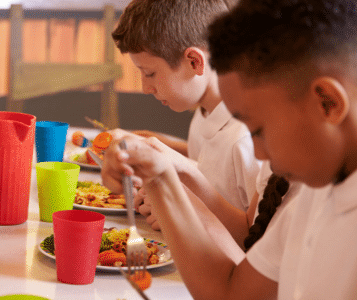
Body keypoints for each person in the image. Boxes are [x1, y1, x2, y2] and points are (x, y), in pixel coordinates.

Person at [102, 0, 357, 297]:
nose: (258, 153)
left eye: (259, 131)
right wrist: (159, 176)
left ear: (328, 103)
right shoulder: (313, 193)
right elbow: (232, 291)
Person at [109, 0, 262, 229]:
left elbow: (255, 234)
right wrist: (155, 144)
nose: (145, 88)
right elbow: (208, 161)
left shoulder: (246, 138)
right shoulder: (206, 109)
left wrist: (179, 211)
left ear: (194, 62)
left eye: (149, 73)